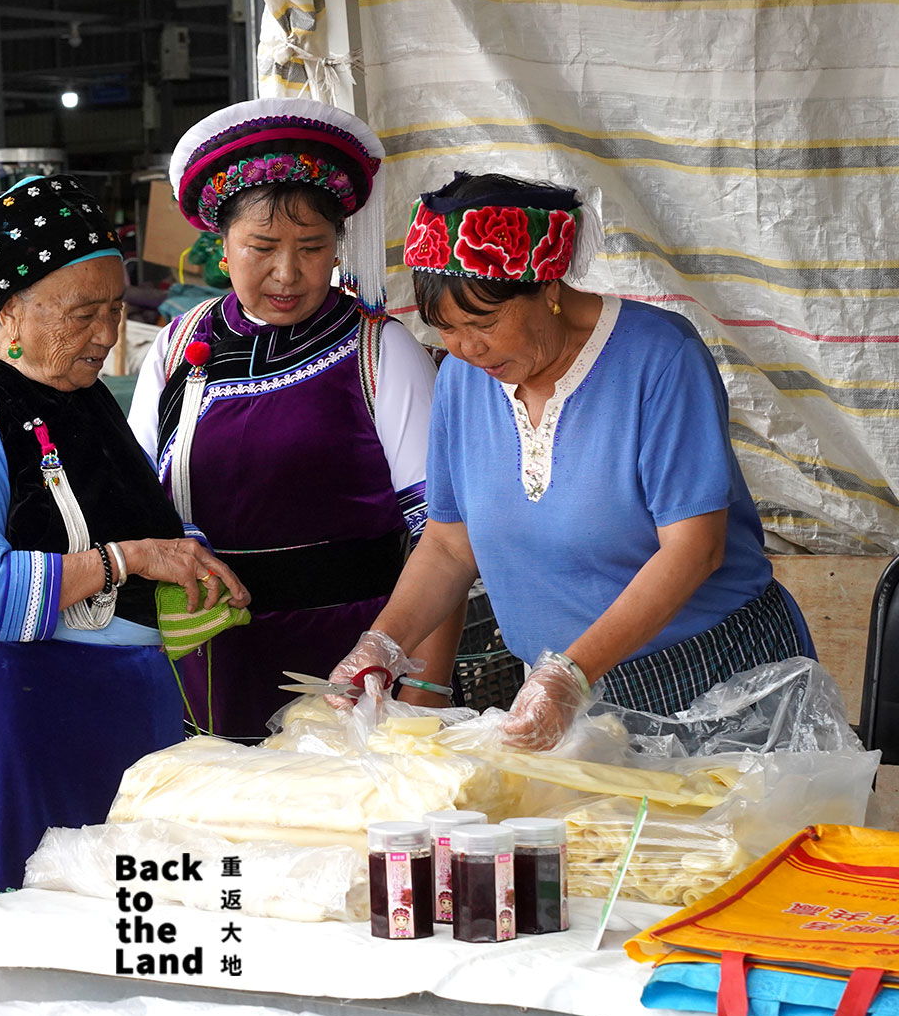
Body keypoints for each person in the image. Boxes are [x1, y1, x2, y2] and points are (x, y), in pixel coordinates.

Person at [331, 171, 815, 749]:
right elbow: (449, 544)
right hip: (561, 694)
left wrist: (573, 672)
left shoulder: (660, 358)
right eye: (446, 329)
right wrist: (383, 644)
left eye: (483, 323)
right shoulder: (464, 378)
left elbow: (694, 548)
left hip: (711, 681)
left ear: (549, 288)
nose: (466, 348)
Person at [0, 174, 249, 949]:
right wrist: (127, 561)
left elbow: (124, 510)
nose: (105, 334)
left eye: (115, 309)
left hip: (134, 702)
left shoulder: (86, 391)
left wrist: (182, 552)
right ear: (11, 312)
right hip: (33, 706)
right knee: (36, 927)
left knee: (134, 932)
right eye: (82, 313)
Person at [127, 98, 465, 742]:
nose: (288, 273)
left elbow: (443, 537)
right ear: (221, 246)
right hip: (203, 664)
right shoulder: (175, 349)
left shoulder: (377, 351)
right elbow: (138, 509)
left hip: (353, 671)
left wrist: (425, 693)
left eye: (312, 247)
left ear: (338, 247)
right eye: (262, 247)